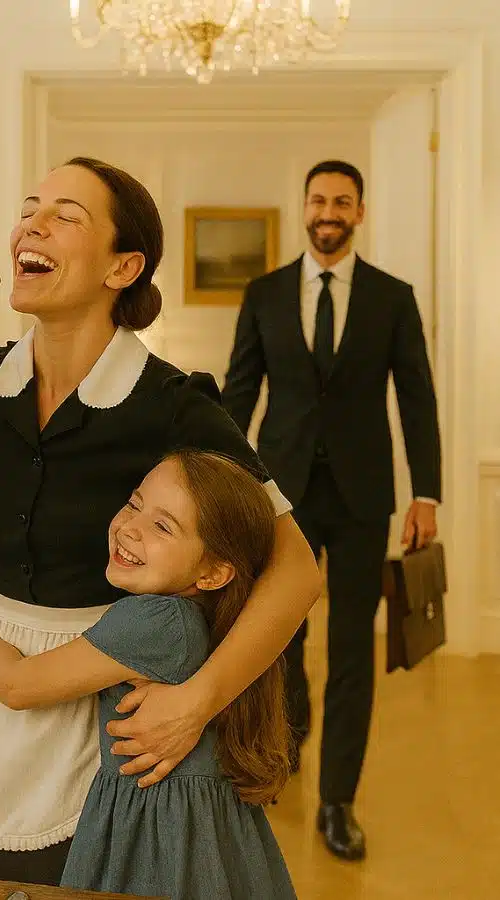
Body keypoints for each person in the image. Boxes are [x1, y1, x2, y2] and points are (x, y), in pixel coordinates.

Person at [0, 157, 321, 883]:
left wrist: (196, 701)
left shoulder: (174, 404)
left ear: (123, 267)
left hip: (112, 719)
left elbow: (296, 570)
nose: (31, 226)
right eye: (28, 210)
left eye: (65, 216)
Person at [221, 159, 442, 861]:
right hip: (280, 495)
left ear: (359, 213)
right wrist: (220, 481)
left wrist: (427, 494)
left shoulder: (392, 298)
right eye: (318, 200)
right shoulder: (264, 293)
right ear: (305, 207)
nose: (328, 212)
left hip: (362, 499)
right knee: (281, 638)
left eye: (342, 202)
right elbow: (239, 393)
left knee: (351, 648)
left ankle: (338, 800)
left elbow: (417, 398)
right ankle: (286, 742)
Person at [0, 450, 297, 900]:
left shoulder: (153, 622)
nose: (131, 527)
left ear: (214, 573)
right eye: (135, 504)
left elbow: (17, 685)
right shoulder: (202, 617)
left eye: (163, 527)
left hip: (157, 838)